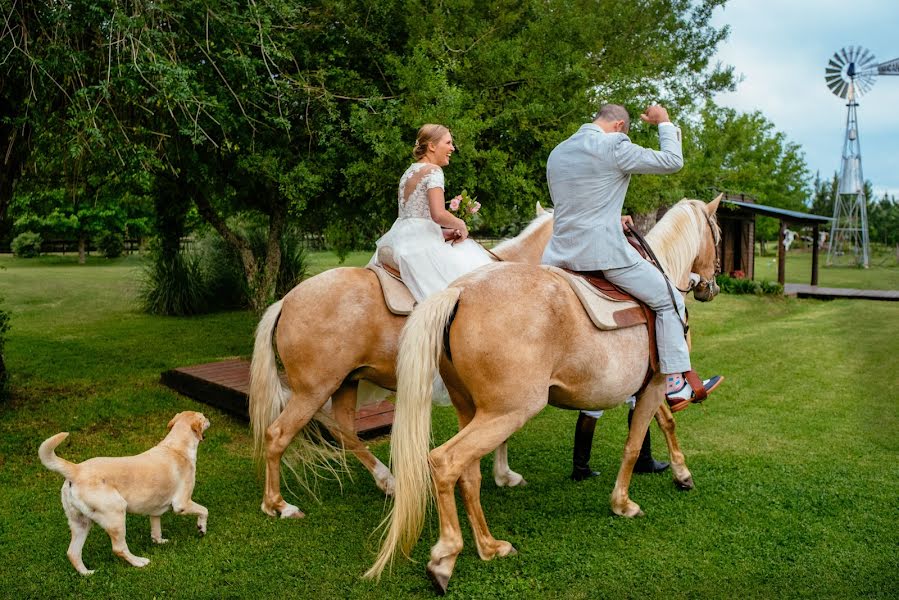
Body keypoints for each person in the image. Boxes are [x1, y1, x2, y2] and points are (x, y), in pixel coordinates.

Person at [542, 103, 724, 477]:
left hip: (559, 255)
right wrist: (664, 122)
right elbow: (672, 160)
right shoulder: (614, 146)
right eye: (624, 131)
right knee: (670, 297)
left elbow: (582, 201)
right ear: (620, 125)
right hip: (602, 253)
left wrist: (613, 214)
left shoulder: (559, 151)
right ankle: (676, 384)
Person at [373, 124, 493, 302]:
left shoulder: (409, 172)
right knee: (476, 278)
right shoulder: (434, 171)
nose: (452, 148)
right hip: (418, 246)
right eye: (448, 142)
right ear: (432, 146)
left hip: (400, 237)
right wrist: (461, 224)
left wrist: (443, 233)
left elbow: (415, 220)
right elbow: (438, 214)